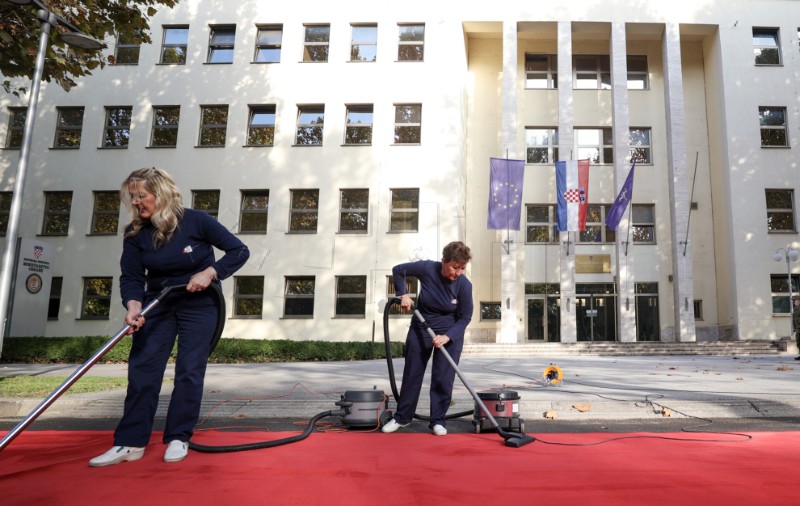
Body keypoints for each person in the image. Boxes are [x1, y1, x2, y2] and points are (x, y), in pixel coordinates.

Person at [89, 168, 249, 467]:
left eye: (141, 196)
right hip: (157, 302)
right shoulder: (136, 233)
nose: (136, 202)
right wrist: (133, 306)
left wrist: (210, 272)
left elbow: (239, 251)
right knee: (143, 371)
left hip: (200, 303)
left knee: (189, 370)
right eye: (132, 197)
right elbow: (132, 276)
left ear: (160, 195)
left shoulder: (197, 220)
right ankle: (130, 442)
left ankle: (178, 437)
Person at [382, 241, 473, 436]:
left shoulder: (464, 286)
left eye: (462, 268)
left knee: (443, 377)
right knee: (412, 373)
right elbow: (398, 270)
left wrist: (447, 337)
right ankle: (402, 417)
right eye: (455, 267)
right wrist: (403, 294)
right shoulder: (427, 268)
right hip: (421, 327)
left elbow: (465, 317)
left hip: (450, 332)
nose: (458, 273)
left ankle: (438, 421)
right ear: (444, 261)